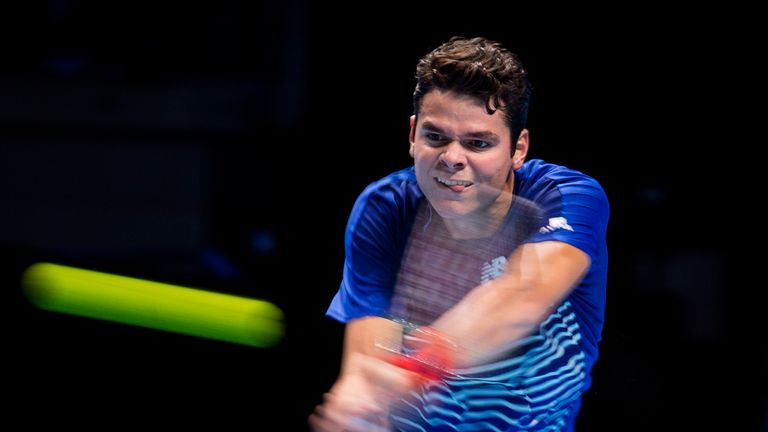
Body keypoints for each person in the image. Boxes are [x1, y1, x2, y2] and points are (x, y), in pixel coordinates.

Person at [309, 36, 609, 432]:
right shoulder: (385, 206)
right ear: (412, 134)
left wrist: (418, 367)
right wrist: (361, 402)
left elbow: (524, 295)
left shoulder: (566, 195)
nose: (452, 158)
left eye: (478, 143)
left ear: (518, 148)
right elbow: (370, 350)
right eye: (435, 137)